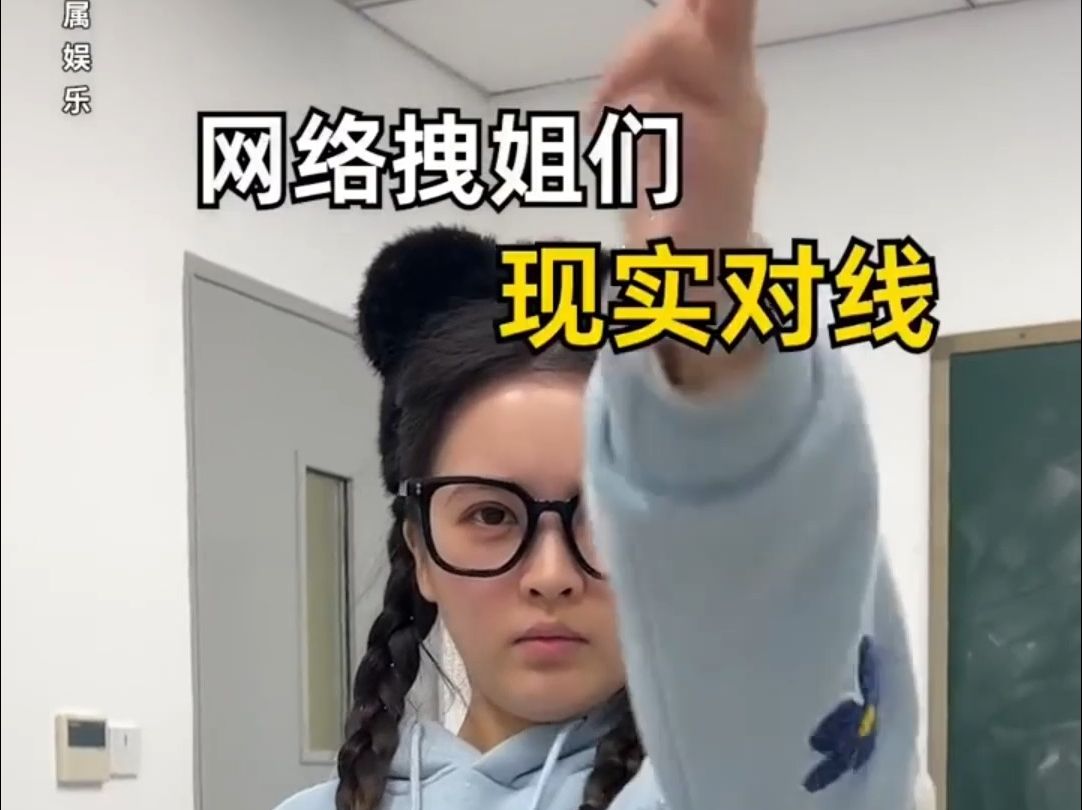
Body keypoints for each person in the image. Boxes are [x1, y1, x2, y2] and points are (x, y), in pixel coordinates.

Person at [275, 0, 922, 808]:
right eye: (490, 516)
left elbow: (797, 725)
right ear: (421, 550)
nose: (551, 577)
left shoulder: (726, 785)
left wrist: (711, 315)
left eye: (608, 522)